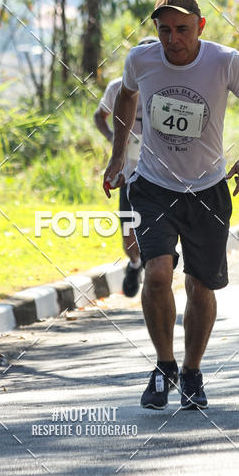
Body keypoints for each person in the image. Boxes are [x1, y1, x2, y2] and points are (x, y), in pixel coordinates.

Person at [102, 0, 239, 410]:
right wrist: (117, 156)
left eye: (182, 29)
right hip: (152, 186)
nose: (172, 39)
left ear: (200, 27)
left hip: (208, 190)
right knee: (157, 274)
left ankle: (193, 371)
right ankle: (164, 367)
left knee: (200, 285)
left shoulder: (225, 61)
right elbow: (125, 98)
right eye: (164, 30)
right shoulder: (140, 60)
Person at [94, 36, 160, 296]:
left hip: (162, 176)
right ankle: (135, 263)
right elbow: (100, 115)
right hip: (129, 176)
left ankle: (156, 270)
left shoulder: (166, 87)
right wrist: (114, 138)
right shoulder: (118, 88)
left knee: (159, 234)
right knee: (128, 237)